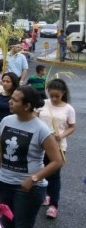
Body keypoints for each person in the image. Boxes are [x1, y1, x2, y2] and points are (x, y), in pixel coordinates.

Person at [0, 86, 64, 228]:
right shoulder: (6, 121)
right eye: (11, 98)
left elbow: (57, 161)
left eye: (14, 100)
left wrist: (34, 179)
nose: (10, 102)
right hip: (5, 183)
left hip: (28, 189)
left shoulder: (41, 129)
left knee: (22, 225)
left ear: (27, 106)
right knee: (4, 223)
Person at [36, 79, 75, 219]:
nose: (53, 98)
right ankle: (46, 194)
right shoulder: (43, 103)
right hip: (40, 144)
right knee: (42, 170)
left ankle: (54, 205)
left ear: (63, 93)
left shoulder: (68, 109)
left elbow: (72, 127)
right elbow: (35, 118)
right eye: (51, 95)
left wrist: (61, 135)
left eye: (57, 96)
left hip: (58, 146)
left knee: (54, 175)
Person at [0, 73, 19, 153]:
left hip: (13, 126)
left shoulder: (18, 97)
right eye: (3, 81)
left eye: (8, 81)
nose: (5, 83)